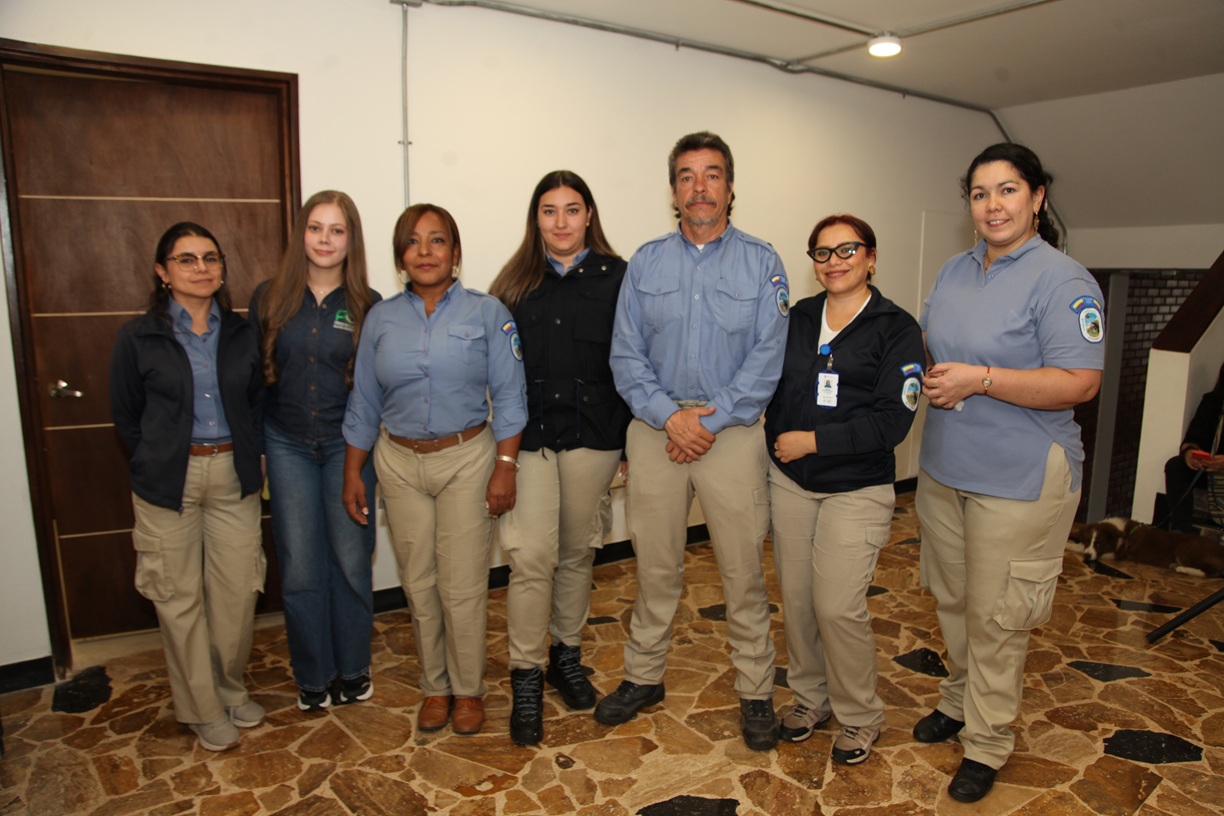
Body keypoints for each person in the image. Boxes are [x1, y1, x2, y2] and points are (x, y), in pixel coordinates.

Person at [917, 143, 1105, 803]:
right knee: (951, 597)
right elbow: (932, 348)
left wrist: (985, 379)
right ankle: (960, 696)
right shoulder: (953, 270)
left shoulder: (1064, 280)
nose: (992, 205)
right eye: (979, 193)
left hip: (1022, 474)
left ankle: (987, 739)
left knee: (998, 616)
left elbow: (1080, 382)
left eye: (1007, 190)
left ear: (1037, 198)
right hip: (945, 468)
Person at [597, 131, 789, 751]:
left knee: (742, 572)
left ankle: (756, 691)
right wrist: (667, 417)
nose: (699, 187)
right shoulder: (646, 263)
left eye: (711, 175)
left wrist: (708, 421)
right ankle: (644, 676)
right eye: (686, 176)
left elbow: (767, 358)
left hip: (731, 432)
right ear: (673, 191)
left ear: (730, 188)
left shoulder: (763, 263)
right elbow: (625, 354)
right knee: (654, 568)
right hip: (655, 430)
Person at [341, 204, 526, 737]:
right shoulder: (380, 318)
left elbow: (511, 398)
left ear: (456, 253)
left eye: (437, 240)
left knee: (463, 585)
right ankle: (435, 686)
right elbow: (364, 402)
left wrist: (505, 467)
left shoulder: (488, 313)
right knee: (419, 584)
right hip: (397, 463)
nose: (425, 251)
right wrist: (354, 472)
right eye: (413, 242)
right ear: (401, 256)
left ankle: (468, 690)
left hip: (467, 458)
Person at [765, 214, 925, 764]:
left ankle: (860, 715)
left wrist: (811, 441)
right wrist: (777, 445)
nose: (834, 262)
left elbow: (891, 424)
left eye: (846, 249)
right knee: (801, 602)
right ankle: (811, 699)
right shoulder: (799, 318)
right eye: (822, 253)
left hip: (856, 487)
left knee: (837, 606)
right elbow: (775, 390)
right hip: (791, 484)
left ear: (871, 256)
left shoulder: (897, 328)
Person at [109, 222, 266, 752]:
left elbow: (255, 404)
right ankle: (201, 708)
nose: (201, 269)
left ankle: (227, 686)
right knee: (178, 599)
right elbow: (127, 416)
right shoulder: (138, 336)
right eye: (186, 260)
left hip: (232, 476)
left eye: (210, 258)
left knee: (237, 593)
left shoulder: (243, 331)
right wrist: (159, 455)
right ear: (162, 272)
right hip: (168, 480)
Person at [489, 171, 631, 745]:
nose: (562, 222)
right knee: (531, 558)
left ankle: (564, 657)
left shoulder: (621, 279)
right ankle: (526, 673)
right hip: (530, 441)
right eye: (550, 211)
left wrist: (629, 445)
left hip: (595, 439)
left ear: (589, 215)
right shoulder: (513, 285)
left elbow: (632, 362)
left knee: (577, 553)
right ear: (536, 219)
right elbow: (498, 375)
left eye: (573, 210)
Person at [249, 191, 381, 712]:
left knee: (351, 561)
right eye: (316, 228)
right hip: (286, 446)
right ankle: (313, 674)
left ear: (351, 240)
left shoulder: (369, 304)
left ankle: (353, 668)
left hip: (349, 451)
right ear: (301, 234)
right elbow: (251, 379)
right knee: (301, 567)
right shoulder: (269, 297)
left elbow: (373, 392)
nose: (325, 239)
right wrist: (258, 448)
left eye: (337, 230)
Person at [1163, 360, 1224, 532]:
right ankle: (1181, 532)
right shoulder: (1213, 401)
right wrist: (1190, 453)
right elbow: (1193, 437)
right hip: (1208, 467)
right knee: (1175, 466)